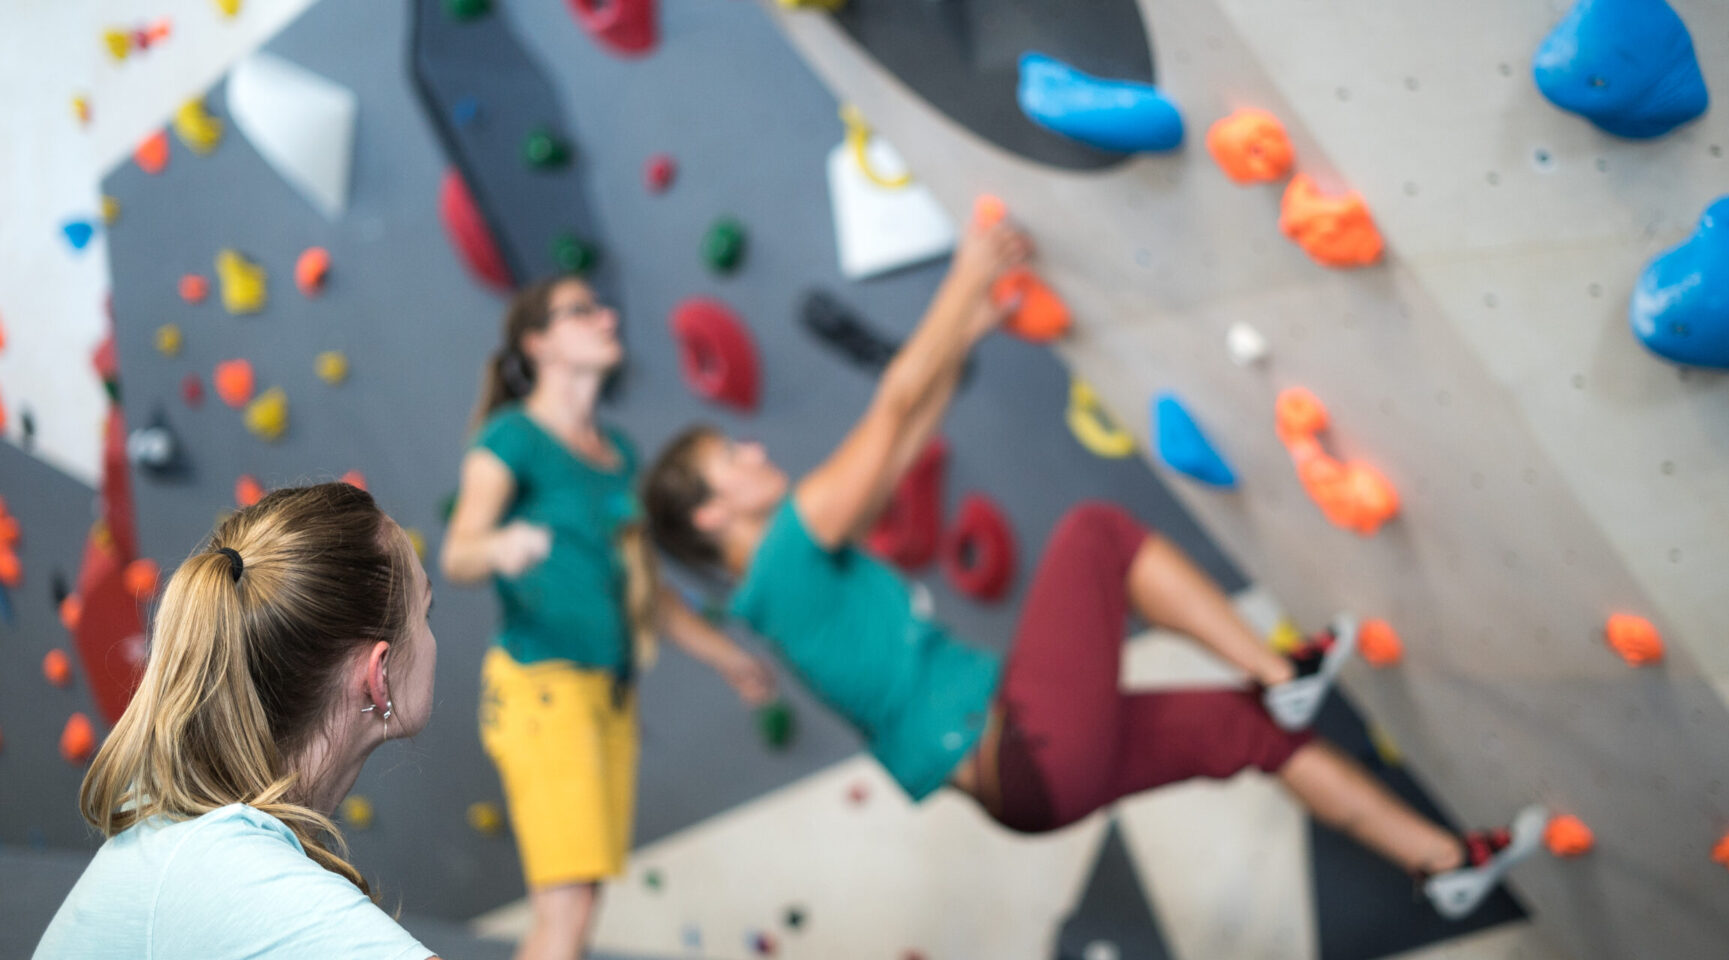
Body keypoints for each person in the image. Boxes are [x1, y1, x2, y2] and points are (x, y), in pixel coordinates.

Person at [640, 215, 1544, 919]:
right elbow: (895, 399)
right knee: (1095, 536)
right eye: (731, 457)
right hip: (1022, 747)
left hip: (1029, 781)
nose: (753, 449)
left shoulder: (794, 584)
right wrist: (968, 273)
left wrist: (975, 327)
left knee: (1254, 739)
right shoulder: (782, 568)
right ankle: (1282, 672)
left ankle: (1445, 867)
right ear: (714, 516)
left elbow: (912, 428)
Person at [441, 275, 774, 960]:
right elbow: (457, 553)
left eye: (602, 307)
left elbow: (646, 590)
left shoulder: (618, 455)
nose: (607, 318)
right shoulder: (513, 438)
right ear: (538, 343)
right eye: (581, 311)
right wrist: (501, 545)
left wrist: (728, 657)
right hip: (541, 687)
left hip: (607, 695)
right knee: (567, 907)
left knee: (578, 903)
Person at [36, 483, 445, 959]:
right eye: (425, 611)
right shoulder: (224, 870)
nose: (434, 638)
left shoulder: (194, 833)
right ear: (379, 676)